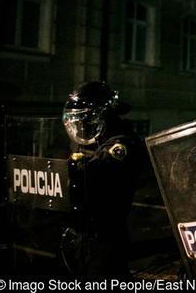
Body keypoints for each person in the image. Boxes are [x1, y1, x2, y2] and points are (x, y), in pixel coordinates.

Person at [62, 81, 144, 279]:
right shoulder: (95, 142)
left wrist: (76, 168)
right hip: (84, 235)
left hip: (107, 238)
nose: (82, 125)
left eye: (85, 119)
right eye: (77, 120)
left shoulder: (121, 144)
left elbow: (99, 174)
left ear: (104, 116)